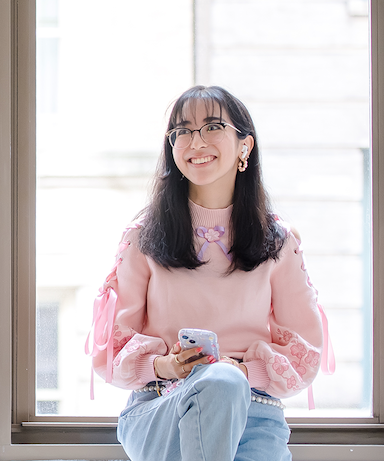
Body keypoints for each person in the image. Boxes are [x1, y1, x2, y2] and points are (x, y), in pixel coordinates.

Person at [85, 85, 335, 461]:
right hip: (160, 408)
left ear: (244, 146)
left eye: (212, 126)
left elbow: (305, 353)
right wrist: (163, 364)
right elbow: (111, 350)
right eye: (182, 131)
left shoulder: (278, 241)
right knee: (219, 381)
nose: (195, 141)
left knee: (226, 381)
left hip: (255, 414)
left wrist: (244, 370)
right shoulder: (142, 238)